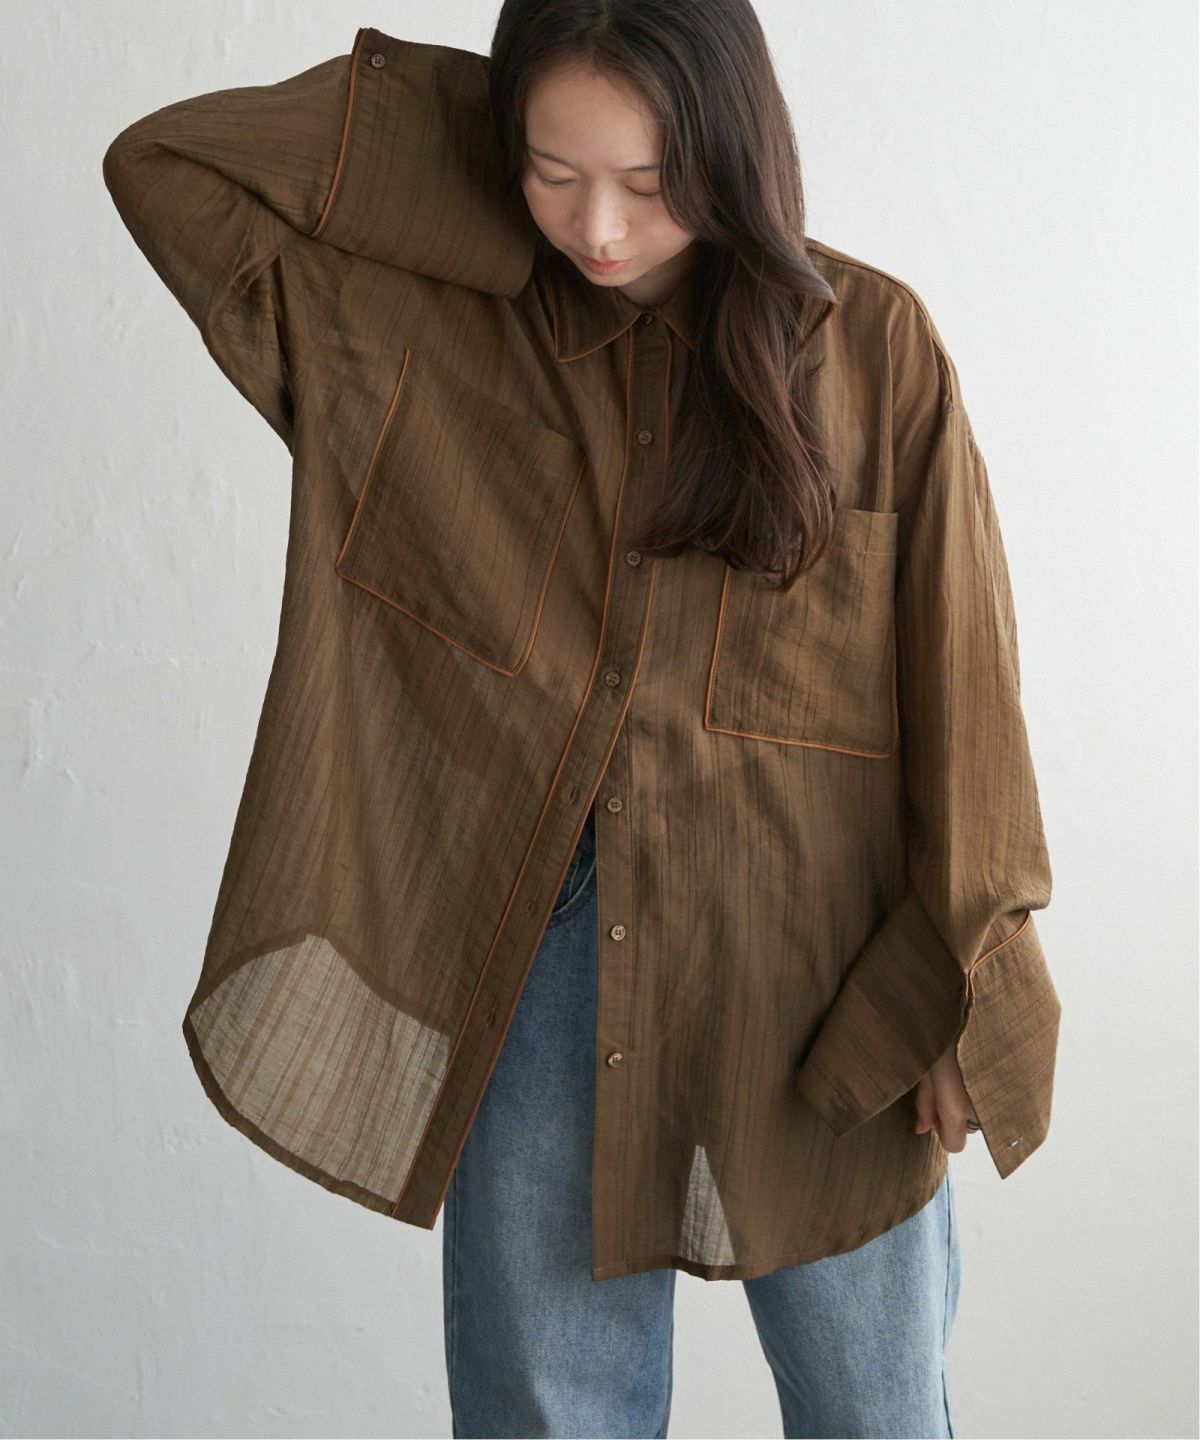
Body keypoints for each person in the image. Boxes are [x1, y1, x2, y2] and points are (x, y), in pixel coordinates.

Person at [102, 2, 1061, 1436]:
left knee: (877, 1411)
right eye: (554, 172)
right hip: (542, 950)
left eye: (650, 179)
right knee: (547, 1415)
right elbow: (167, 166)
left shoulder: (873, 350)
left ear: (733, 149)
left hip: (828, 968)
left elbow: (967, 690)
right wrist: (482, 139)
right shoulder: (418, 331)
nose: (599, 229)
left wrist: (963, 983)